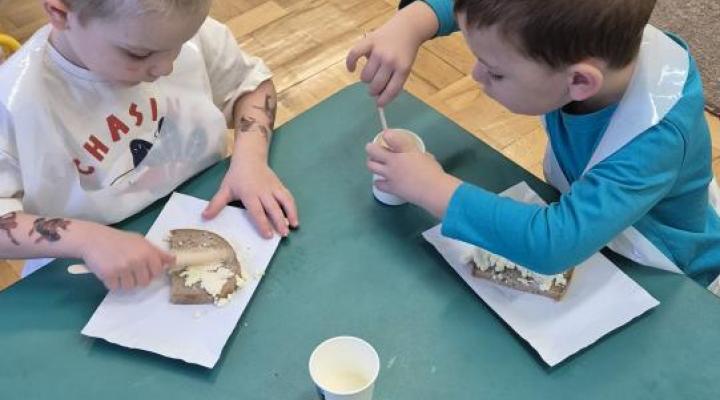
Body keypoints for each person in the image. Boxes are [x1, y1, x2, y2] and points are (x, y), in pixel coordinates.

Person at [347, 0, 720, 295]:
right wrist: (411, 24)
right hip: (595, 219)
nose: (475, 75)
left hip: (662, 268)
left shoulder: (654, 140)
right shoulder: (585, 44)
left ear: (579, 82)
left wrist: (429, 186)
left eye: (495, 71)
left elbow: (553, 244)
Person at [0, 0, 299, 291]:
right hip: (84, 273)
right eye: (138, 54)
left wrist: (250, 160)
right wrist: (87, 240)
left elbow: (251, 84)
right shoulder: (14, 102)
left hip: (207, 213)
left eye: (181, 44)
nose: (166, 67)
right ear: (60, 13)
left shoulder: (169, 29)